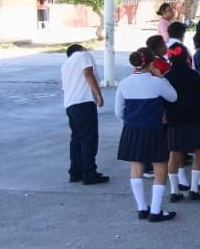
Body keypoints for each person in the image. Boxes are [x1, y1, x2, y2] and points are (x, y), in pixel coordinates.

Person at [115, 48, 178, 222]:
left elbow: (118, 111)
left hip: (132, 128)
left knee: (136, 166)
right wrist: (160, 76)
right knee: (160, 167)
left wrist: (129, 122)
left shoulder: (124, 83)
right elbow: (173, 97)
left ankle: (142, 208)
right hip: (153, 128)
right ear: (151, 63)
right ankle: (156, 210)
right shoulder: (156, 82)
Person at [163, 48, 200, 202]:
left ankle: (174, 191)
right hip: (194, 118)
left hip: (174, 120)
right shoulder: (194, 75)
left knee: (175, 154)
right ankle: (194, 189)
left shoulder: (166, 77)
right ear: (186, 59)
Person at [61, 44, 108, 185]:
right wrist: (98, 95)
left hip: (70, 105)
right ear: (80, 49)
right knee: (89, 139)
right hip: (84, 102)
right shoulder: (83, 55)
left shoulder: (65, 65)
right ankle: (89, 173)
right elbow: (88, 73)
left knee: (76, 139)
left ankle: (76, 172)